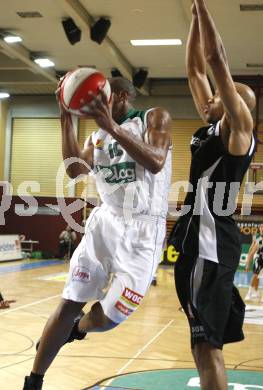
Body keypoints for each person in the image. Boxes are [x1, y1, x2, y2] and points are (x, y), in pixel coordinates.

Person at [23, 77, 172, 389]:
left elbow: (157, 162)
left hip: (143, 228)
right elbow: (75, 170)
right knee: (69, 300)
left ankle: (78, 329)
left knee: (109, 317)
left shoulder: (153, 117)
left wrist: (114, 128)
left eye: (96, 99)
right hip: (106, 220)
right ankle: (33, 381)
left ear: (117, 96)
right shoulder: (96, 136)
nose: (91, 107)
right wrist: (65, 116)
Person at [169, 1, 256, 389]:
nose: (209, 99)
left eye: (219, 97)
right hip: (201, 239)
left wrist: (203, 7)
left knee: (207, 347)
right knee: (202, 344)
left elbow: (215, 59)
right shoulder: (210, 128)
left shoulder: (238, 130)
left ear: (234, 106)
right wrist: (192, 20)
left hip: (209, 240)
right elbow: (193, 69)